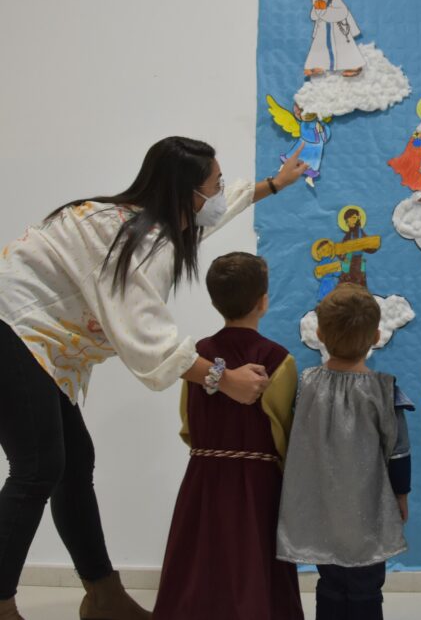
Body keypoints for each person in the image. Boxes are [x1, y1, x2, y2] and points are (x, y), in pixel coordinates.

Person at [0, 137, 308, 620]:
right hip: (14, 329)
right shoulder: (135, 242)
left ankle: (102, 593)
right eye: (214, 185)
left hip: (41, 346)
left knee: (74, 462)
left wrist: (274, 184)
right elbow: (148, 338)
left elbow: (220, 212)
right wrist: (222, 378)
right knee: (39, 467)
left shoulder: (154, 223)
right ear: (185, 193)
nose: (220, 192)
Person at [152, 253, 303, 620]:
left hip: (203, 476)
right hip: (258, 483)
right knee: (252, 562)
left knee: (200, 558)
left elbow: (187, 422)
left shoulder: (196, 357)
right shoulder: (279, 359)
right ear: (263, 302)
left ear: (214, 299)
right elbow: (283, 429)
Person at [277, 284, 413, 620]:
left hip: (322, 504)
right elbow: (398, 450)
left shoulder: (306, 385)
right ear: (376, 336)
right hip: (369, 507)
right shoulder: (385, 391)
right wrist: (401, 495)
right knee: (367, 585)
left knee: (330, 583)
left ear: (320, 333)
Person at [304, 0, 365, 77]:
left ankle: (355, 66)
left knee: (344, 48)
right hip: (323, 30)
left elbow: (342, 13)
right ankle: (315, 66)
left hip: (338, 30)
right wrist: (317, 9)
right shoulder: (316, 2)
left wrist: (324, 11)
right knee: (318, 47)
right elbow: (313, 16)